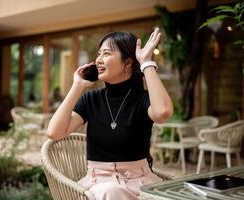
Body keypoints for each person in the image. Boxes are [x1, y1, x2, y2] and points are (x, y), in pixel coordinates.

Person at [47, 28, 173, 200]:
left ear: (128, 62)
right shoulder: (91, 99)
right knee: (111, 191)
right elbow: (54, 132)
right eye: (99, 54)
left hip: (140, 182)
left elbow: (163, 112)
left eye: (106, 54)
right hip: (99, 185)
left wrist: (146, 62)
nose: (98, 59)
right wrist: (77, 85)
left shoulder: (141, 99)